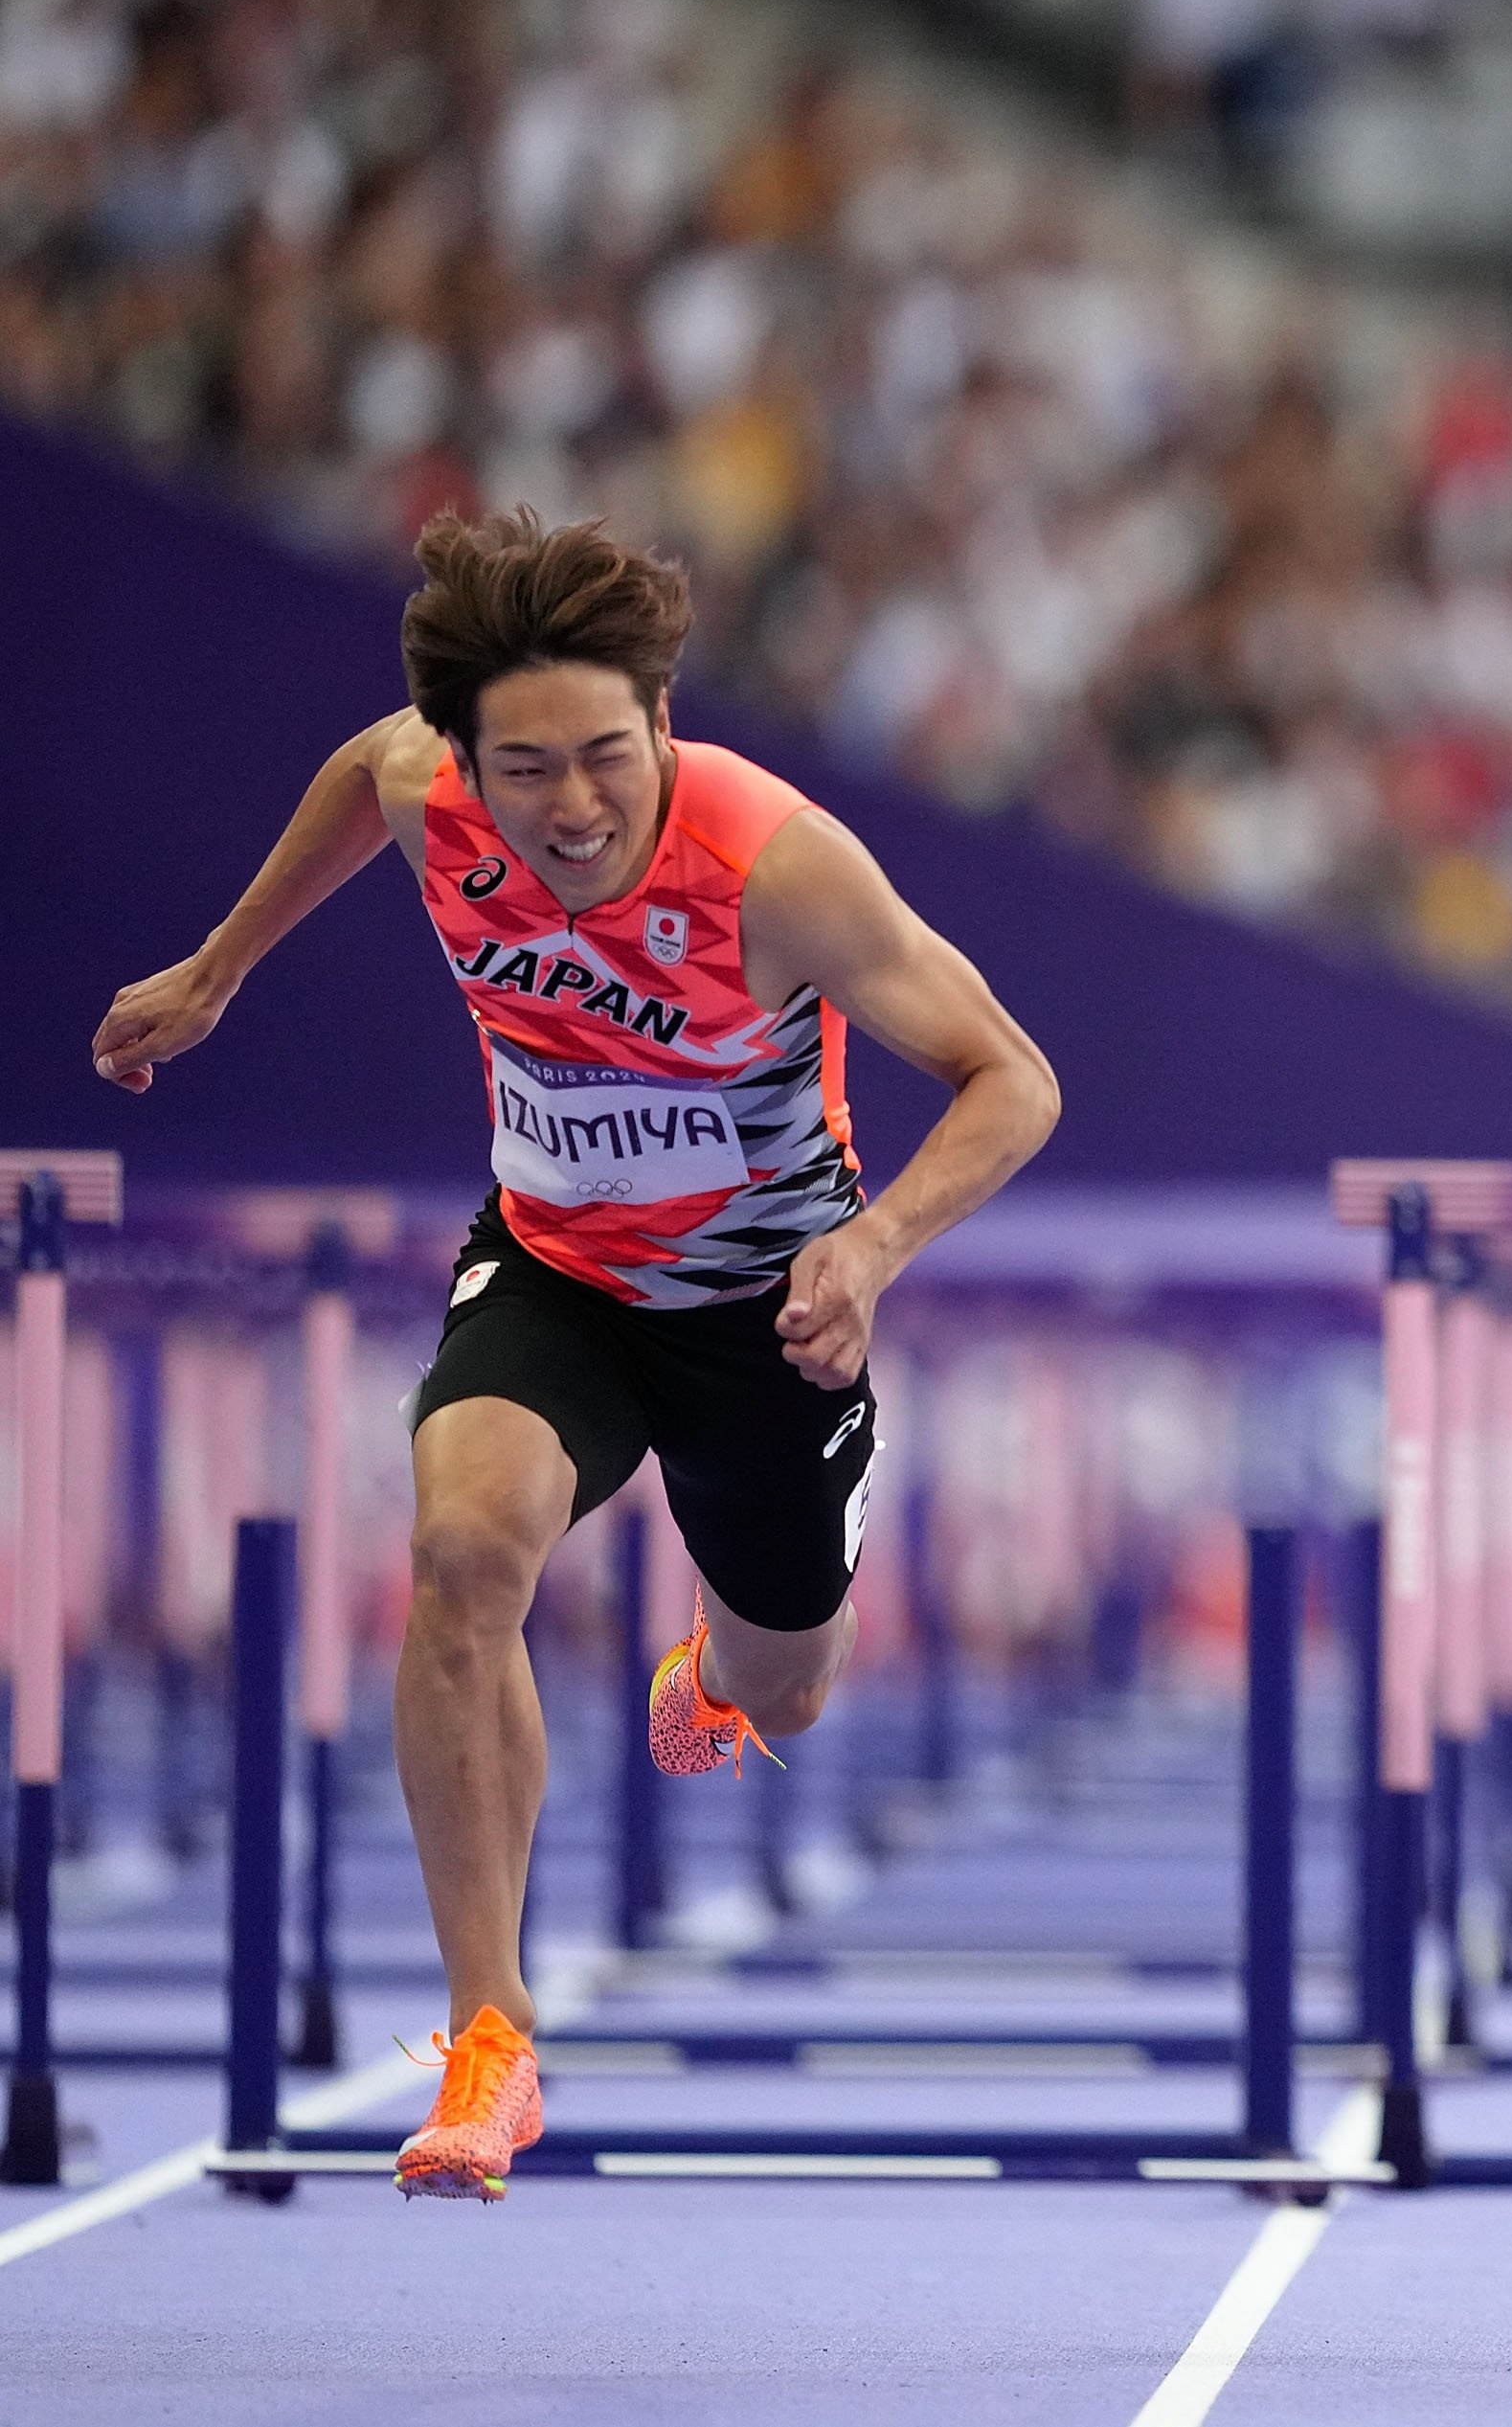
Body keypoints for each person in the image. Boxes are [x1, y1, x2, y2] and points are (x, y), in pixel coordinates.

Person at [91, 510, 1061, 2199]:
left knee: (789, 1689)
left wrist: (874, 1241)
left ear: (665, 725)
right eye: (528, 768)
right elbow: (355, 771)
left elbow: (1015, 1078)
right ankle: (491, 2034)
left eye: (610, 755)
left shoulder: (781, 865)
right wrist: (218, 969)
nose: (577, 804)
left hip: (769, 1312)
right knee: (463, 1549)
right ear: (470, 756)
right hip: (551, 1267)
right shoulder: (429, 787)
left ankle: (717, 1674)